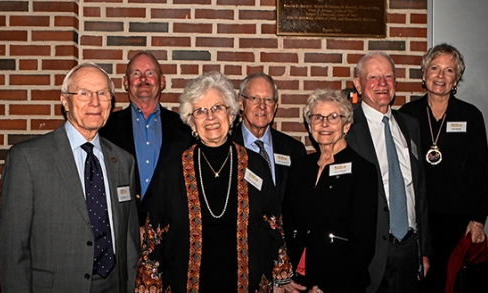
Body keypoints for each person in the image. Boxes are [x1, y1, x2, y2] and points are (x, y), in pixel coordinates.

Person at [134, 71, 292, 293]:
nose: (210, 117)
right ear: (191, 121)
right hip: (185, 284)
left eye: (217, 108)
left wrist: (280, 278)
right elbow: (154, 235)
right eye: (200, 111)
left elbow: (273, 223)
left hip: (248, 284)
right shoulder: (173, 170)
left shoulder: (255, 165)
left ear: (231, 114)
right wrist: (149, 286)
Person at [0, 63, 140, 293]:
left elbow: (129, 242)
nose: (95, 102)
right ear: (65, 100)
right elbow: (12, 251)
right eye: (84, 93)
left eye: (102, 93)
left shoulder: (123, 161)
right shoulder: (28, 159)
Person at [399, 43, 488, 293]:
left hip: (458, 218)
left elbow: (480, 169)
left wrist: (478, 219)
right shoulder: (407, 115)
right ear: (424, 74)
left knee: (452, 282)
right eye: (434, 68)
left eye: (449, 71)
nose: (440, 76)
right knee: (420, 282)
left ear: (456, 79)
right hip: (418, 217)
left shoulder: (470, 115)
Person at [346, 52, 432, 293]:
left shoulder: (410, 125)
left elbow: (419, 191)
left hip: (407, 249)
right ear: (358, 84)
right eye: (373, 77)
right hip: (368, 253)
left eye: (388, 77)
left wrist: (423, 251)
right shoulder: (347, 128)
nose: (382, 83)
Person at [283, 89, 378, 293]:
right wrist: (284, 275)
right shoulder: (300, 168)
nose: (324, 124)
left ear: (347, 125)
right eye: (318, 117)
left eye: (334, 117)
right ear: (310, 126)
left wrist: (327, 287)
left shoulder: (363, 171)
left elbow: (363, 244)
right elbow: (287, 225)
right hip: (299, 280)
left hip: (341, 283)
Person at [100, 51, 193, 225]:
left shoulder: (185, 127)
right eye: (136, 73)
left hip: (170, 229)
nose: (143, 79)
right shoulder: (106, 127)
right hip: (121, 228)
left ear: (162, 81)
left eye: (150, 73)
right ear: (126, 82)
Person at [232, 72, 306, 200]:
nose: (262, 106)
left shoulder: (294, 150)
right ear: (241, 103)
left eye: (268, 100)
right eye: (254, 98)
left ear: (275, 106)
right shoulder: (226, 146)